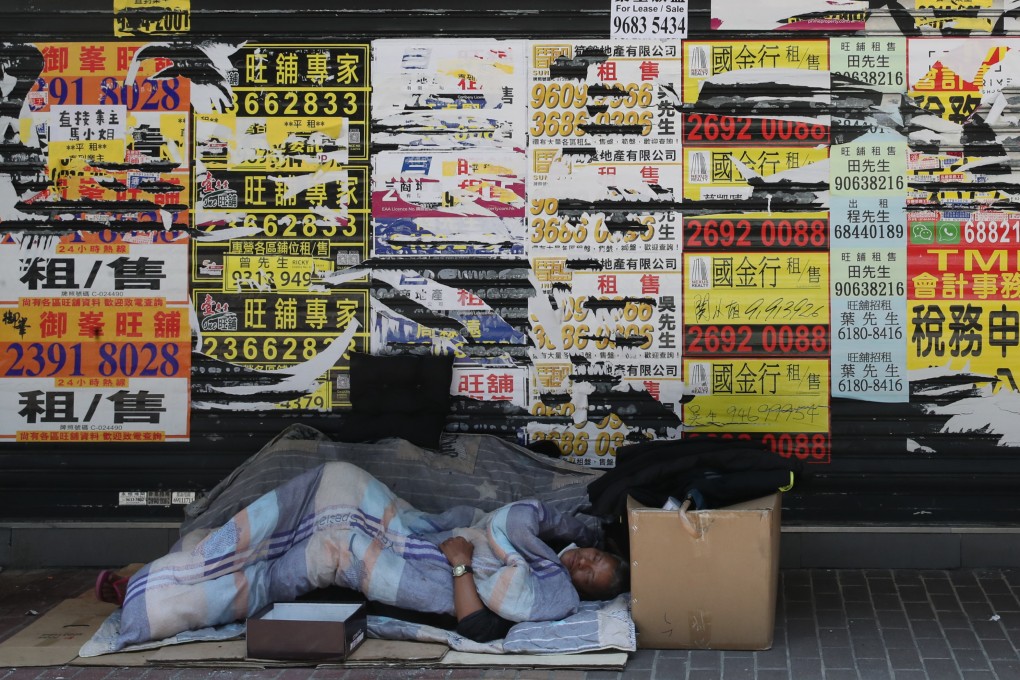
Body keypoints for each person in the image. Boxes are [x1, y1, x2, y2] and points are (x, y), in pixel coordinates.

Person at [95, 512, 630, 644]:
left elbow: (477, 627)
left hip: (406, 577)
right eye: (589, 557)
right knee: (330, 493)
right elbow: (489, 521)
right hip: (416, 536)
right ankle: (170, 571)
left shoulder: (551, 593)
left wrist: (461, 560)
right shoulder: (542, 544)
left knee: (325, 549)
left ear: (584, 594)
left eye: (590, 576)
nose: (580, 565)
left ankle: (151, 599)